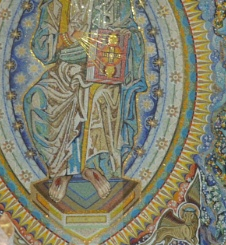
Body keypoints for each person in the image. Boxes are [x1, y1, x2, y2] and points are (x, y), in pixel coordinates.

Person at [23, 0, 146, 202]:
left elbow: (132, 34)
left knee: (100, 96)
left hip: (101, 70)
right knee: (35, 99)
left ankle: (94, 167)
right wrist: (65, 39)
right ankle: (61, 170)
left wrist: (115, 42)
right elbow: (41, 48)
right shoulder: (56, 4)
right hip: (65, 71)